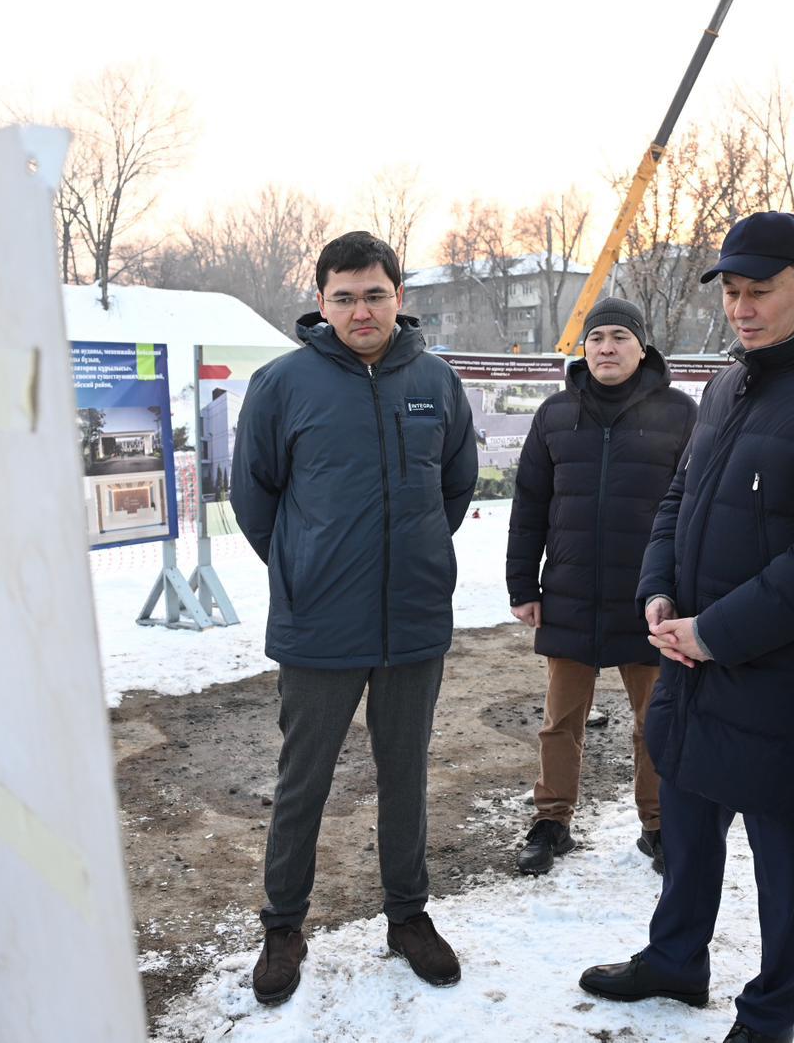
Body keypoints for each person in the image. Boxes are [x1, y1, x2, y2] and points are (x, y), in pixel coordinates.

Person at [580, 212, 794, 1043]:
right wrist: (658, 591)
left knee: (782, 858)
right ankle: (675, 959)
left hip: (784, 678)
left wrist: (714, 633)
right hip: (695, 662)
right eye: (730, 291)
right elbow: (679, 499)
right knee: (688, 826)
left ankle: (769, 1014)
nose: (741, 308)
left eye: (758, 290)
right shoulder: (727, 386)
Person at [231, 230, 477, 1005]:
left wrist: (415, 558)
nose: (360, 311)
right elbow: (253, 496)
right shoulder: (282, 384)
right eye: (344, 298)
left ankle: (407, 916)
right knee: (303, 782)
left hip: (414, 619)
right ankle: (283, 926)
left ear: (399, 297)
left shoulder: (437, 382)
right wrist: (305, 565)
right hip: (319, 625)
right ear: (321, 302)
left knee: (406, 776)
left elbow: (455, 487)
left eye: (374, 295)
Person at [506, 297, 696, 875]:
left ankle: (659, 826)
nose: (607, 347)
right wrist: (523, 584)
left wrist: (686, 588)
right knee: (560, 721)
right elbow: (529, 503)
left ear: (642, 346)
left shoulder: (680, 414)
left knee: (654, 720)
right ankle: (552, 821)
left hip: (651, 598)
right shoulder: (555, 414)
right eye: (596, 338)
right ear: (583, 347)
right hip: (570, 592)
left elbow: (696, 507)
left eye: (619, 336)